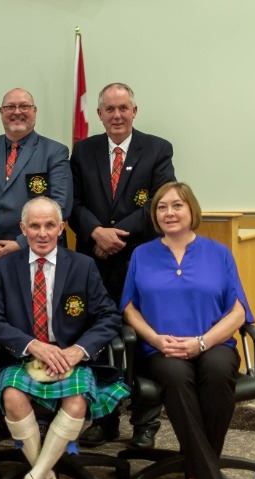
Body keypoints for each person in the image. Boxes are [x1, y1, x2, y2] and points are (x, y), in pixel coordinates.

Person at [0, 197, 128, 479]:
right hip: (24, 357)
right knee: (11, 396)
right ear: (23, 229)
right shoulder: (5, 268)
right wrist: (32, 345)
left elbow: (108, 318)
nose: (43, 233)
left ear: (61, 228)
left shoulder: (83, 265)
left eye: (50, 225)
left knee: (76, 401)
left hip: (70, 358)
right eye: (34, 225)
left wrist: (77, 351)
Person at [120, 181, 253, 479]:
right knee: (177, 379)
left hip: (213, 343)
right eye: (162, 207)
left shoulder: (219, 252)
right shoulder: (142, 254)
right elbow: (130, 308)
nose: (169, 213)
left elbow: (238, 311)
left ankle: (196, 477)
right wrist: (156, 338)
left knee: (218, 372)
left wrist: (202, 342)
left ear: (191, 209)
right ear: (155, 215)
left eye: (176, 205)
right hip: (161, 349)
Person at [0, 88, 73, 445]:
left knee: (46, 334)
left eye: (24, 106)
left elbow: (60, 205)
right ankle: (2, 412)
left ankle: (46, 412)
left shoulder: (54, 151)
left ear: (35, 111)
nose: (17, 112)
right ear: (1, 112)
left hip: (38, 257)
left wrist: (21, 243)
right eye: (11, 106)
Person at [69, 82, 175, 449]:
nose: (116, 115)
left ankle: (145, 424)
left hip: (141, 262)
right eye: (109, 109)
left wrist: (115, 234)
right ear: (99, 114)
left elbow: (162, 203)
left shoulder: (158, 149)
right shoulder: (83, 151)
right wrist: (96, 232)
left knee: (145, 339)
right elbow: (73, 204)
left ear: (134, 110)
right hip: (92, 265)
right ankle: (105, 419)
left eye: (123, 108)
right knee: (98, 340)